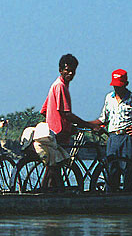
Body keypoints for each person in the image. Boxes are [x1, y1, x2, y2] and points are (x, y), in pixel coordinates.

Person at [38, 54, 99, 189]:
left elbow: (44, 110)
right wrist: (89, 125)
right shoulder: (60, 87)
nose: (70, 73)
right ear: (61, 70)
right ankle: (44, 193)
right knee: (54, 167)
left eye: (73, 70)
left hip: (57, 132)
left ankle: (52, 193)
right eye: (67, 70)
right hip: (58, 133)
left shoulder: (57, 85)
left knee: (54, 167)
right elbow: (66, 113)